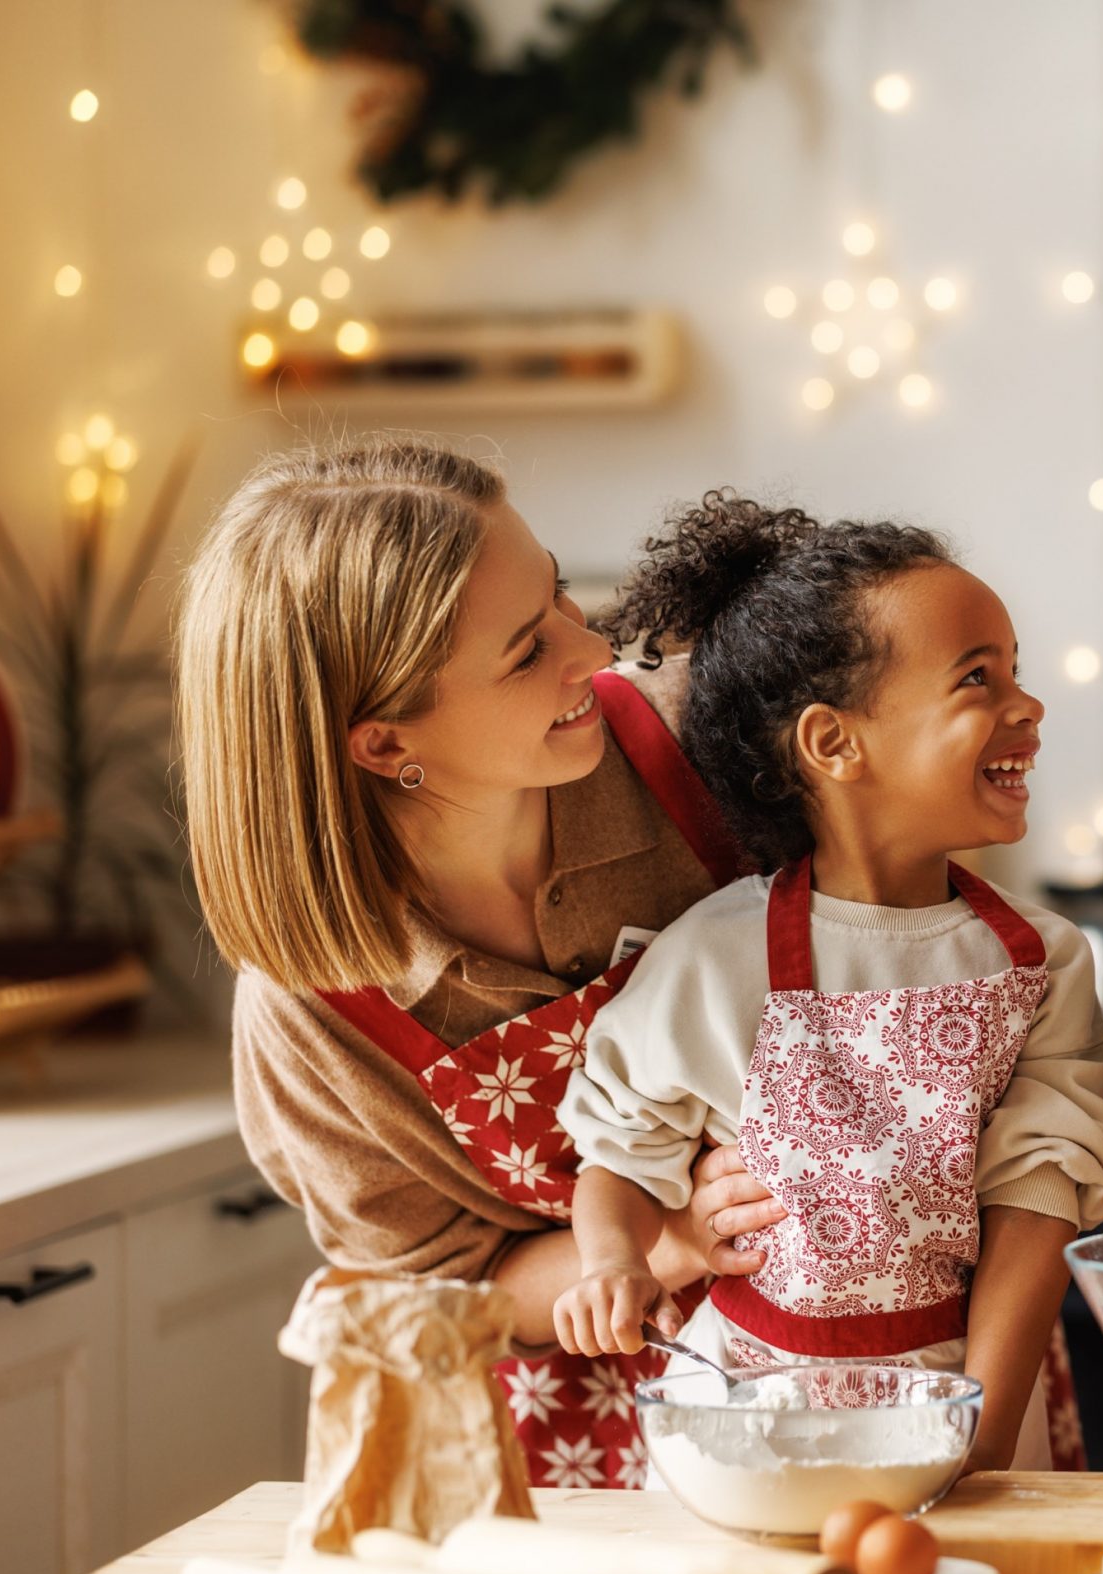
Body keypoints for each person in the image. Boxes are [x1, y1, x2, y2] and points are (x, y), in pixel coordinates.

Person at [179, 439, 783, 1488]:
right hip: (575, 1442)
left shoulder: (702, 740)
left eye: (557, 596)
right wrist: (668, 1238)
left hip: (870, 1363)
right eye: (522, 652)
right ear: (380, 744)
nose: (591, 649)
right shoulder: (313, 1010)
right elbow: (443, 1294)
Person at [549, 496, 1103, 1472]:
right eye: (976, 680)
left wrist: (978, 1442)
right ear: (832, 744)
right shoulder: (712, 956)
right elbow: (618, 1152)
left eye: (1015, 673)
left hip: (963, 1396)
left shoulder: (1039, 961)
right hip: (744, 1412)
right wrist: (613, 1264)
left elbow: (1035, 1213)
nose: (1024, 707)